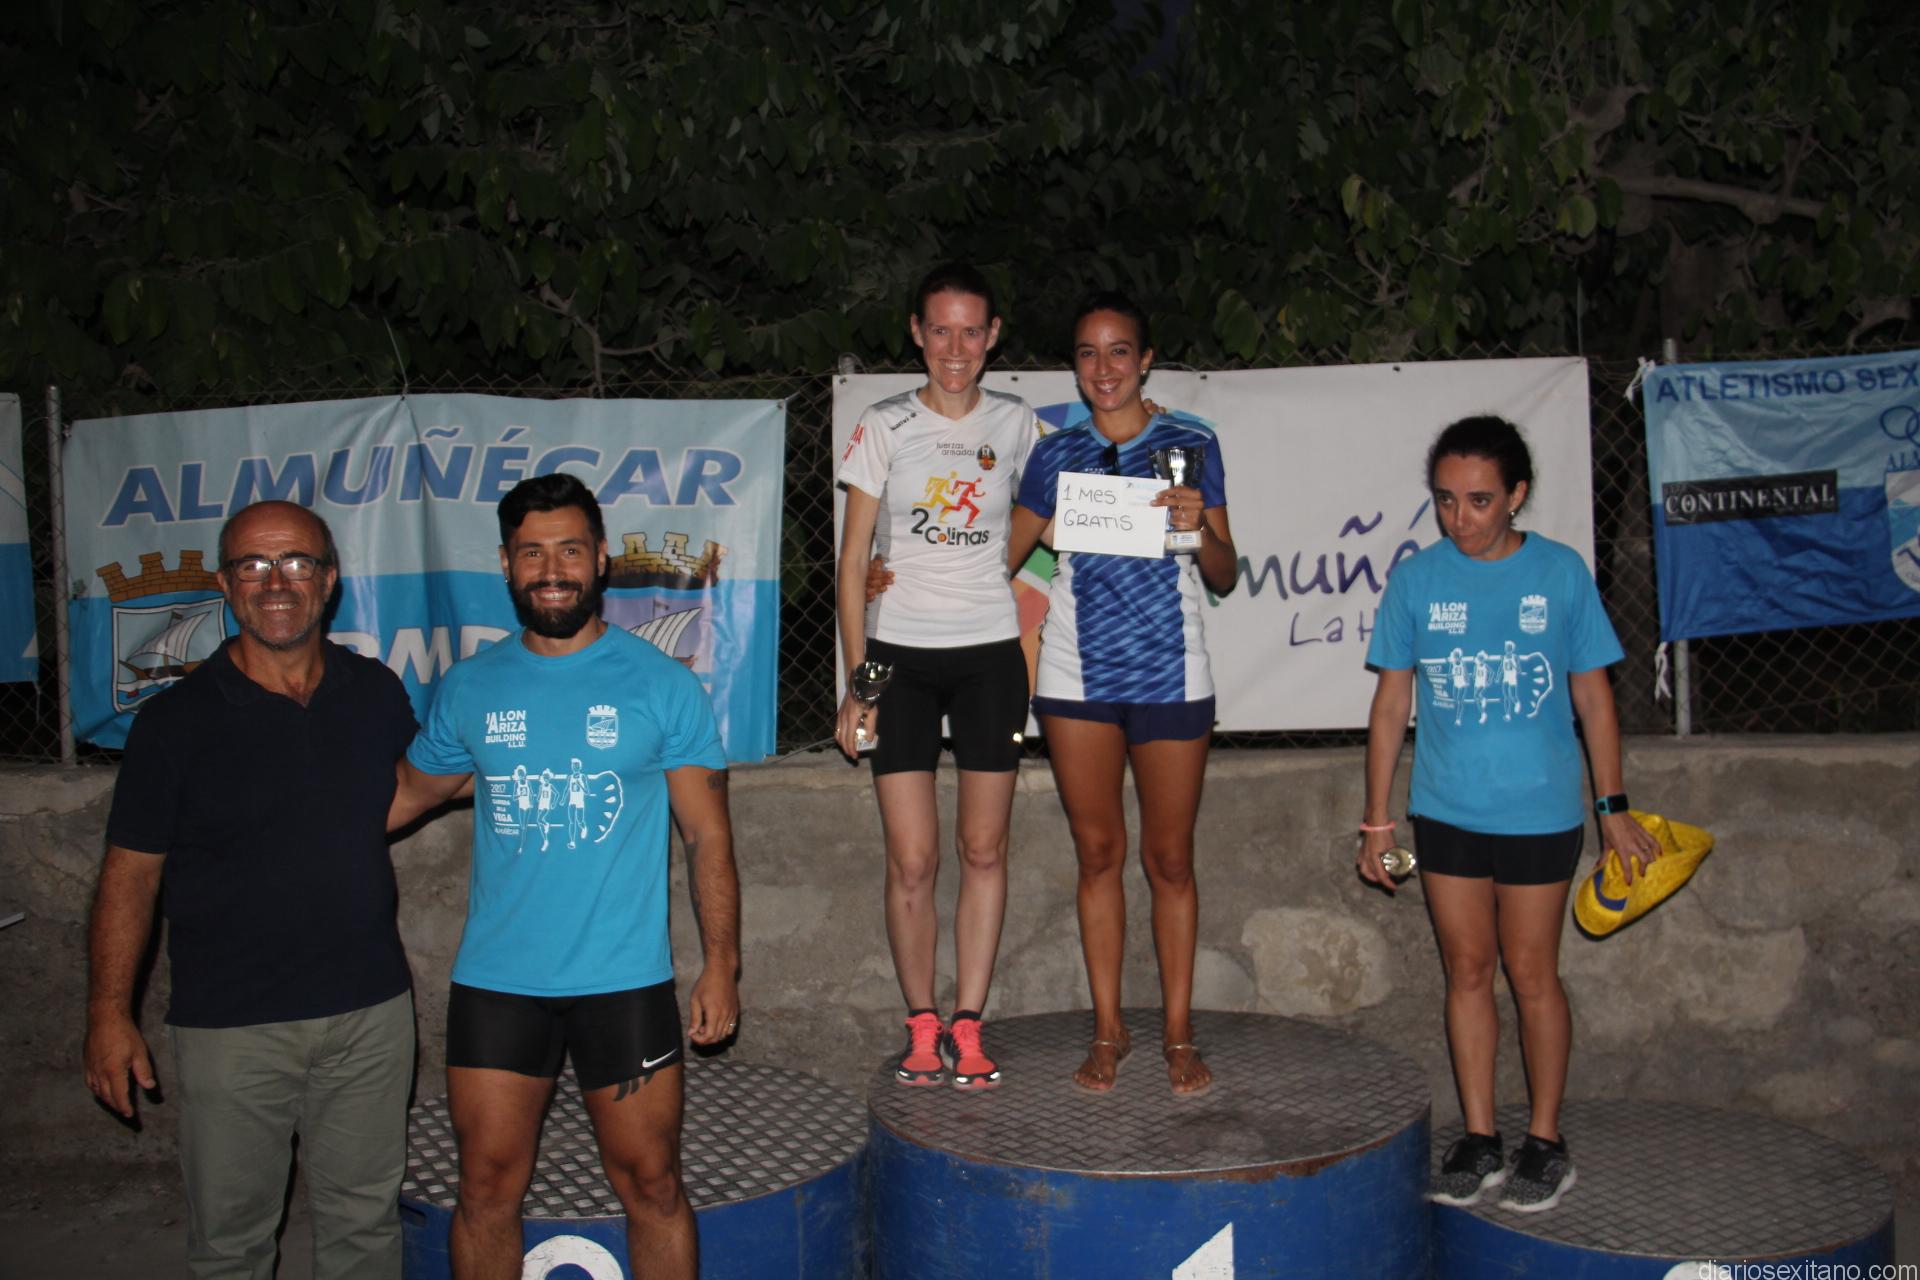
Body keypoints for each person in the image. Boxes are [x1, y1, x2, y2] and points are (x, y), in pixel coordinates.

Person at [390, 473, 740, 1280]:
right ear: (506, 564)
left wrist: (722, 964)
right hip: (498, 984)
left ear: (601, 559)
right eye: (533, 553)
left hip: (625, 982)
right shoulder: (470, 685)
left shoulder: (661, 683)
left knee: (652, 1185)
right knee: (485, 1189)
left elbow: (707, 834)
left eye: (571, 551)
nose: (553, 570)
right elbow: (408, 794)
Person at [83, 500, 417, 1279]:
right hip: (232, 1027)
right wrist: (107, 1014)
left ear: (328, 580)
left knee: (367, 1226)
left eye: (296, 562)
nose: (276, 583)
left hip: (370, 1013)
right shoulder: (174, 723)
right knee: (232, 1244)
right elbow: (130, 875)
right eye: (253, 565)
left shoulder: (375, 691)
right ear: (225, 585)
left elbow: (407, 792)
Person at [1357, 415, 1661, 1213]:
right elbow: (1391, 704)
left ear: (1517, 494)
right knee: (1466, 972)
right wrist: (1376, 819)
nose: (1459, 518)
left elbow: (1595, 699)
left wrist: (1613, 807)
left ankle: (1546, 1141)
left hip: (1540, 811)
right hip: (1445, 810)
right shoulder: (1418, 581)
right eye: (1445, 500)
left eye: (1480, 500)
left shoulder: (1560, 573)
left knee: (1531, 974)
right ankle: (1481, 1135)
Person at [1006, 291, 1237, 1096]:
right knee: (1098, 855)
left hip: (1172, 674)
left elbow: (1224, 574)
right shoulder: (1055, 455)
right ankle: (1109, 1029)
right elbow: (1001, 556)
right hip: (1075, 676)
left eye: (1118, 351)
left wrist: (1198, 524)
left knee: (1170, 860)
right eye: (1087, 353)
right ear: (1075, 366)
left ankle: (1178, 1031)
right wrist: (897, 572)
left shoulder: (1191, 443)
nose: (1103, 368)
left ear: (1145, 360)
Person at [834, 262, 1040, 1091]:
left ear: (993, 337)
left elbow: (1060, 511)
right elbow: (853, 561)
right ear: (917, 333)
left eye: (972, 331)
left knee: (983, 849)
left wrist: (1012, 578)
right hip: (900, 659)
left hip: (991, 654)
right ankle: (922, 1023)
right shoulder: (883, 422)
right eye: (941, 330)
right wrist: (860, 684)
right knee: (912, 860)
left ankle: (970, 1023)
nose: (956, 349)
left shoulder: (1018, 422)